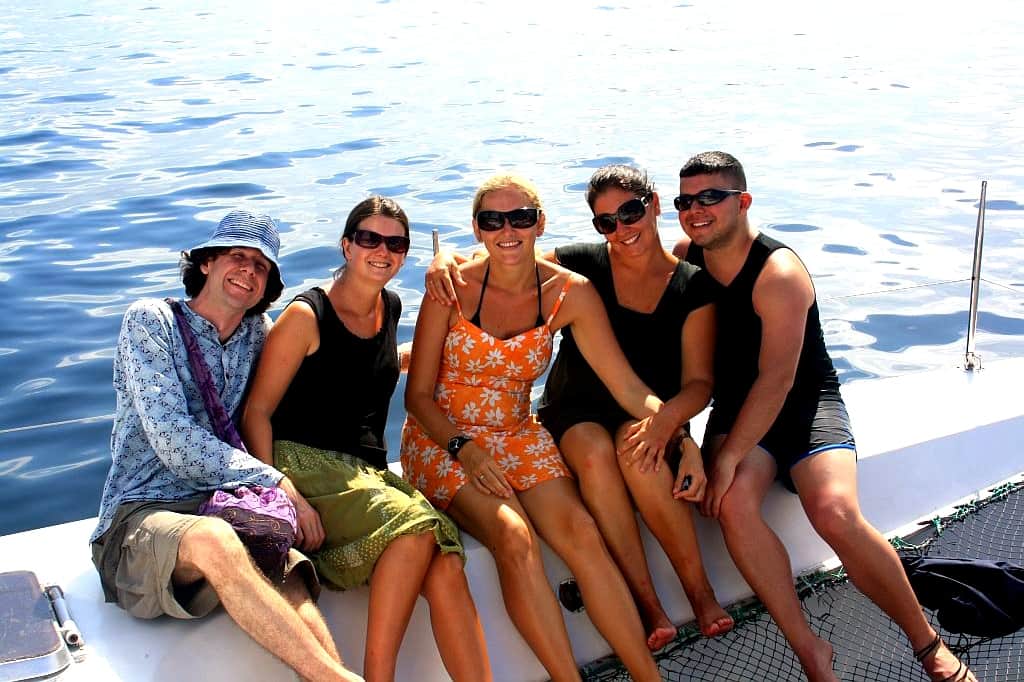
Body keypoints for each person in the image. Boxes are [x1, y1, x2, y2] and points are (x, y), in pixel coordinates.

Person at [672, 151, 976, 682]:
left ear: (742, 201)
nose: (696, 210)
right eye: (685, 201)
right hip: (736, 410)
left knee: (834, 511)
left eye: (710, 198)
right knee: (732, 505)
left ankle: (927, 644)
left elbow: (778, 382)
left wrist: (728, 458)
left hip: (806, 404)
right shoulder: (686, 257)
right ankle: (811, 650)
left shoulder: (778, 272)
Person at [427, 165, 734, 651]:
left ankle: (700, 593)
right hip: (575, 406)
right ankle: (647, 603)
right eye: (605, 222)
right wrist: (445, 262)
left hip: (642, 407)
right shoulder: (583, 264)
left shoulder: (690, 286)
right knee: (593, 454)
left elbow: (698, 383)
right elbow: (508, 261)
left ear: (654, 205)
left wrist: (681, 435)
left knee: (640, 456)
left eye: (630, 212)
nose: (621, 229)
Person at [402, 174, 664, 682]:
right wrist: (466, 450)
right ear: (476, 230)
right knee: (514, 536)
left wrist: (674, 428)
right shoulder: (449, 286)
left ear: (539, 223)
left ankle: (649, 677)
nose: (508, 230)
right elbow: (416, 397)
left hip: (520, 431)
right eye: (492, 220)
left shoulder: (571, 293)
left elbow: (627, 387)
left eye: (520, 218)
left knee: (582, 533)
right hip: (445, 436)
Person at [89, 210, 361, 681]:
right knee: (216, 540)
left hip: (221, 502)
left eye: (262, 267)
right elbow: (176, 444)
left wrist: (401, 357)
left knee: (291, 574)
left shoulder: (256, 333)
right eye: (237, 256)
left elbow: (317, 371)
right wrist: (278, 482)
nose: (249, 271)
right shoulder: (150, 322)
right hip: (141, 515)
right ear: (207, 263)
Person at [240, 197, 491, 682]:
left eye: (396, 243)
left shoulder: (390, 306)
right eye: (370, 239)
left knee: (447, 567)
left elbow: (369, 361)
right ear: (347, 245)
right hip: (302, 465)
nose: (383, 251)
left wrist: (458, 347)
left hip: (363, 472)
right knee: (418, 527)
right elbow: (257, 413)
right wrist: (280, 490)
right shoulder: (307, 316)